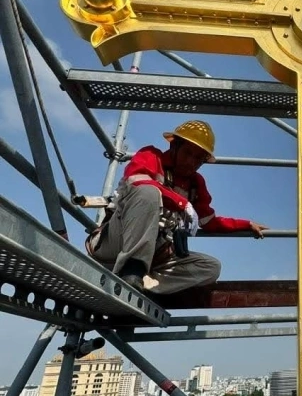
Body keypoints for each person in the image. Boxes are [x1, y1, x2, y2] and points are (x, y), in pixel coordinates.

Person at [87, 120, 268, 294]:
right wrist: (181, 203)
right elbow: (137, 180)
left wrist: (246, 224)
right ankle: (132, 271)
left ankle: (143, 282)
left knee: (210, 267)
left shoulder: (196, 184)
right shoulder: (151, 157)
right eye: (188, 153)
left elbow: (209, 221)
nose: (191, 162)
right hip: (116, 242)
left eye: (198, 158)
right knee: (148, 192)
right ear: (174, 146)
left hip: (154, 255)